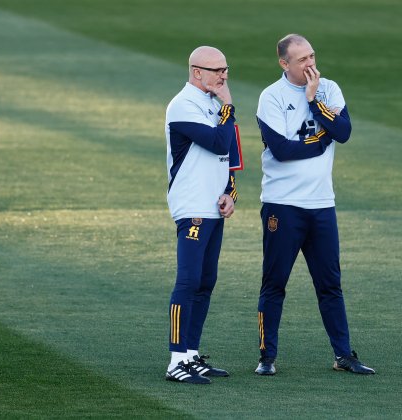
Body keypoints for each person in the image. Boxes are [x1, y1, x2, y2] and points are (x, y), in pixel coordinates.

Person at [254, 34, 375, 376]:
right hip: (283, 204)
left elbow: (345, 131)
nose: (310, 64)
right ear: (284, 64)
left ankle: (343, 356)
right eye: (302, 59)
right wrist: (320, 141)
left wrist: (313, 103)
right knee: (275, 282)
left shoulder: (328, 89)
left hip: (322, 204)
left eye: (311, 56)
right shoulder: (271, 97)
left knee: (330, 284)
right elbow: (282, 150)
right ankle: (267, 357)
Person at [164, 46, 238, 384]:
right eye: (217, 70)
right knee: (189, 281)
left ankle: (192, 354)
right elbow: (218, 142)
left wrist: (230, 193)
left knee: (206, 281)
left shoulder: (212, 103)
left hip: (213, 207)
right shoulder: (184, 105)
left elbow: (229, 158)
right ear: (197, 72)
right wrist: (228, 106)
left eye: (225, 69)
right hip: (192, 206)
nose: (224, 76)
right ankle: (177, 359)